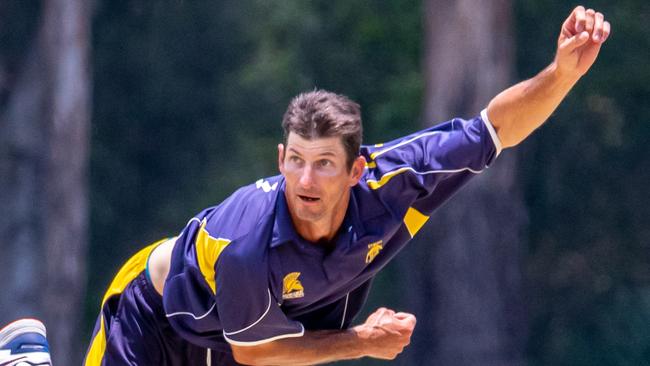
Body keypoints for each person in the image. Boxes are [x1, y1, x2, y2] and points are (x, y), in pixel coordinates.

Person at [83, 6, 610, 365]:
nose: (305, 180)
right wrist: (361, 341)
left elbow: (496, 128)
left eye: (324, 165)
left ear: (357, 170)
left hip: (237, 343)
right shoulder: (246, 243)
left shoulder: (396, 184)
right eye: (296, 162)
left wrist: (561, 75)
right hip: (155, 315)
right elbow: (256, 352)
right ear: (280, 160)